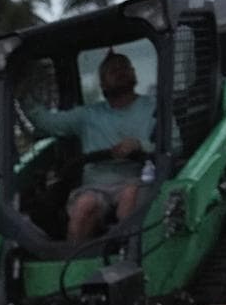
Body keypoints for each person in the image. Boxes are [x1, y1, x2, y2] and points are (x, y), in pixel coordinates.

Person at [26, 52, 156, 244]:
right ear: (102, 84)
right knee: (84, 206)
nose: (119, 72)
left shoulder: (152, 108)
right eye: (112, 71)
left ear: (133, 74)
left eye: (123, 67)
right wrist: (24, 98)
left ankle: (129, 257)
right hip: (97, 186)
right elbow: (47, 123)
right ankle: (73, 266)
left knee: (130, 196)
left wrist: (141, 145)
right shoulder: (89, 115)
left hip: (138, 179)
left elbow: (175, 144)